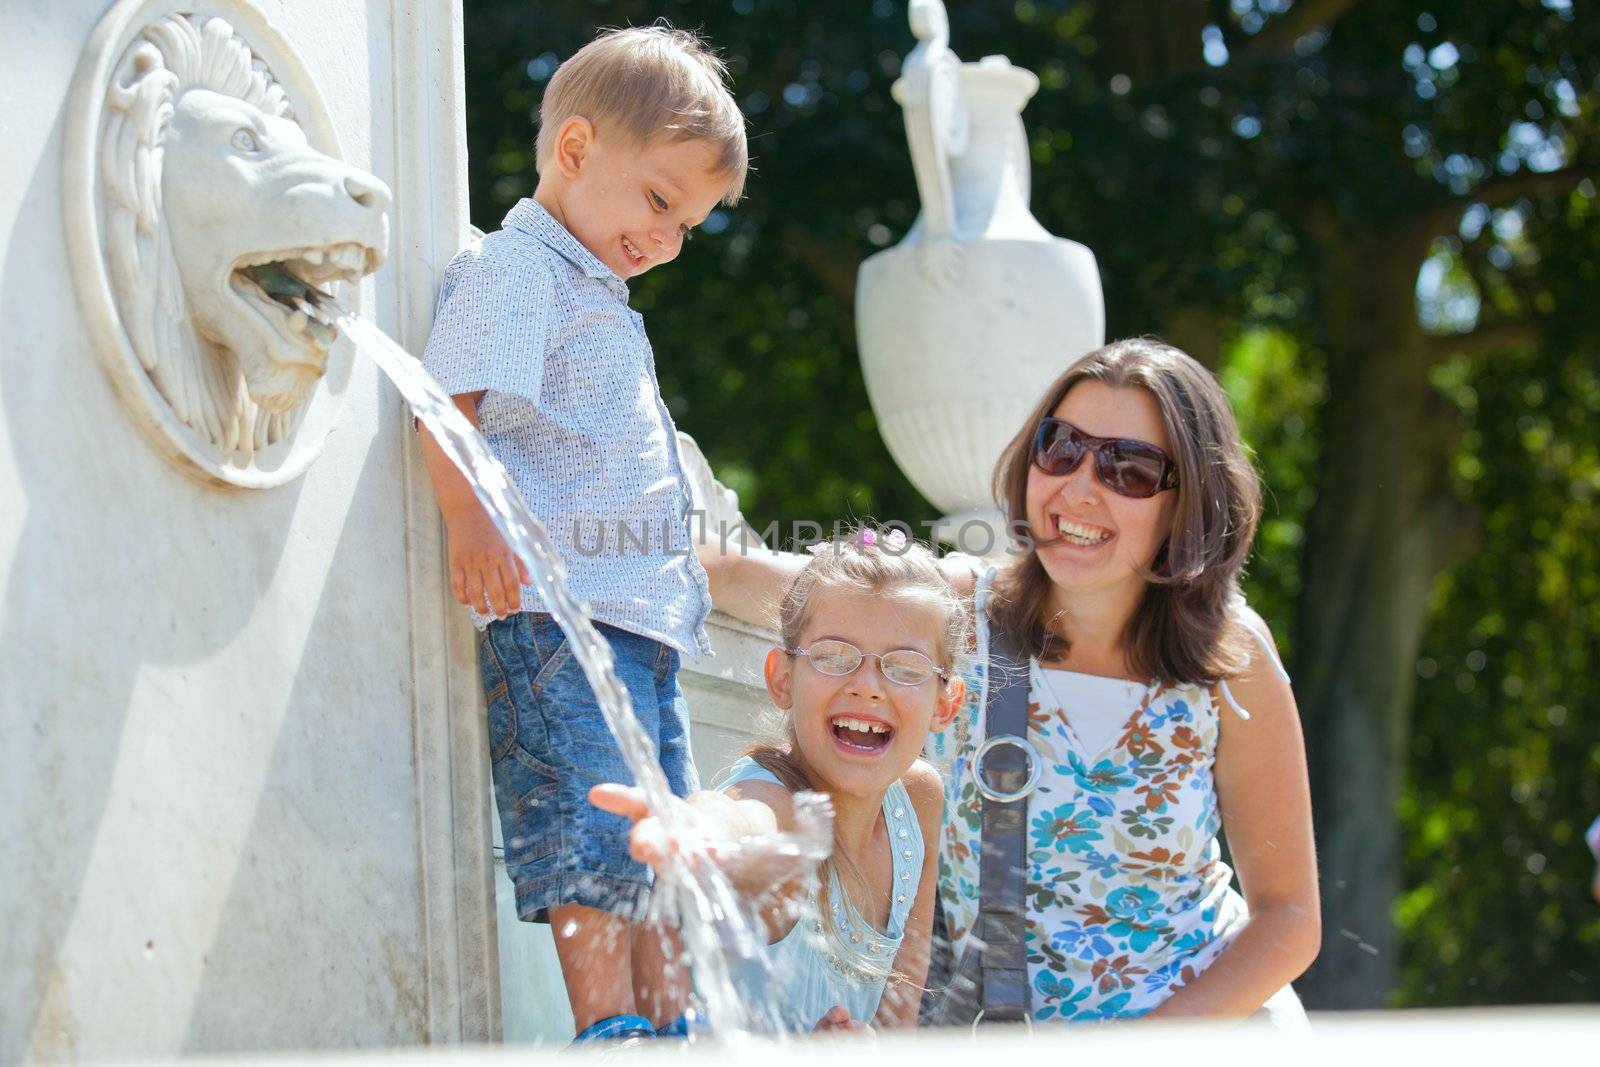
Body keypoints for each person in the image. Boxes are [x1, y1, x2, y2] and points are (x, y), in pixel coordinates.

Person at [700, 339, 1320, 1024]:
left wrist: (1147, 1045)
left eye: (1131, 469)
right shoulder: (962, 613)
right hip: (1010, 1036)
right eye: (1061, 448)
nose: (1080, 486)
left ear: (1189, 500)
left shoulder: (1233, 658)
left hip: (1208, 1032)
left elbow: (1290, 917)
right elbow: (751, 577)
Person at [415, 24, 748, 1043]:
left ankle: (669, 1020)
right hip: (561, 615)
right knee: (588, 828)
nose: (666, 238)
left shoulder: (595, 291)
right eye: (657, 200)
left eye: (687, 223)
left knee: (659, 839)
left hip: (637, 620)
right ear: (572, 149)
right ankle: (608, 1023)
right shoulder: (524, 269)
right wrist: (470, 517)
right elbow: (443, 402)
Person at [594, 529, 967, 1032]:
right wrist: (700, 825)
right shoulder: (782, 807)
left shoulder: (920, 797)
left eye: (904, 668)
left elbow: (899, 1010)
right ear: (782, 679)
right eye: (834, 657)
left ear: (946, 703)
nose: (867, 686)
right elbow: (744, 818)